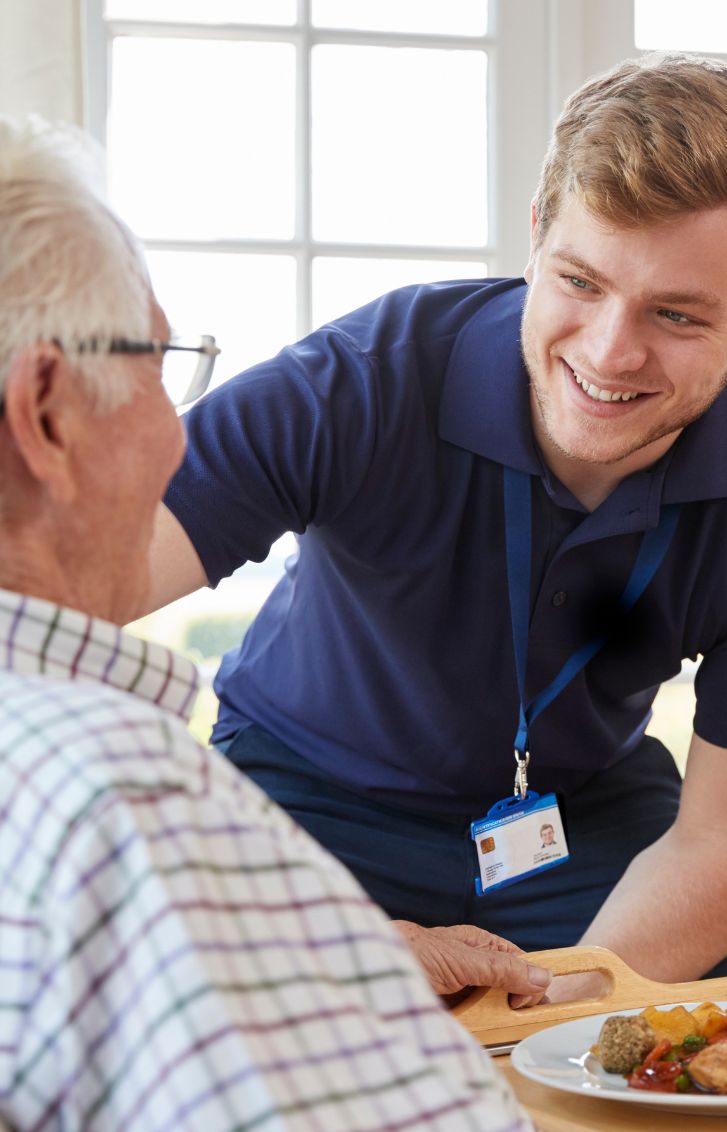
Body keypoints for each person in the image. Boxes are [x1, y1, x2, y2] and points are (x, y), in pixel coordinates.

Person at [145, 52, 727, 990]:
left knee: (722, 1066)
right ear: (535, 240)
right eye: (582, 282)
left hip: (582, 820)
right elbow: (51, 580)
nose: (610, 352)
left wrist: (558, 1010)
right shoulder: (361, 382)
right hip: (305, 798)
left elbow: (725, 842)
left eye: (676, 315)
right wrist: (332, 957)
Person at [0, 114, 535, 1130]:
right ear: (48, 414)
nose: (178, 438)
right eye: (161, 366)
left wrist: (325, 958)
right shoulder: (121, 798)